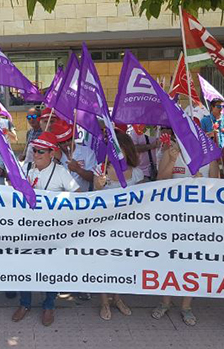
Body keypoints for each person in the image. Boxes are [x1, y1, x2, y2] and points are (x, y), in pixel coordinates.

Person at [152, 126, 219, 326]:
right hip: (172, 219)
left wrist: (204, 183)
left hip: (199, 220)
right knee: (168, 260)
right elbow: (159, 181)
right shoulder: (171, 152)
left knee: (192, 262)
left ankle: (186, 306)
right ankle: (165, 302)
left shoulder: (210, 156)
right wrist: (172, 161)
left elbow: (219, 188)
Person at [13, 132, 80, 327]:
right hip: (27, 231)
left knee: (52, 268)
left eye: (41, 151)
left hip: (52, 232)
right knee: (25, 267)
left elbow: (79, 197)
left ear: (52, 153)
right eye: (34, 150)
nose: (36, 154)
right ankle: (24, 303)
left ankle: (49, 304)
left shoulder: (61, 172)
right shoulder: (26, 169)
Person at [93, 130, 142, 320]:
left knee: (121, 263)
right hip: (104, 227)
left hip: (126, 229)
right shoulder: (101, 169)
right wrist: (99, 183)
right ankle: (104, 302)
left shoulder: (136, 173)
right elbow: (94, 193)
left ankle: (118, 298)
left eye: (118, 148)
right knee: (104, 263)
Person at [52, 120, 96, 192]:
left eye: (69, 140)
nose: (67, 144)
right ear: (58, 144)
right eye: (62, 142)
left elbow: (93, 178)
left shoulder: (87, 152)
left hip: (81, 197)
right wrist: (56, 161)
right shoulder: (54, 154)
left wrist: (78, 169)